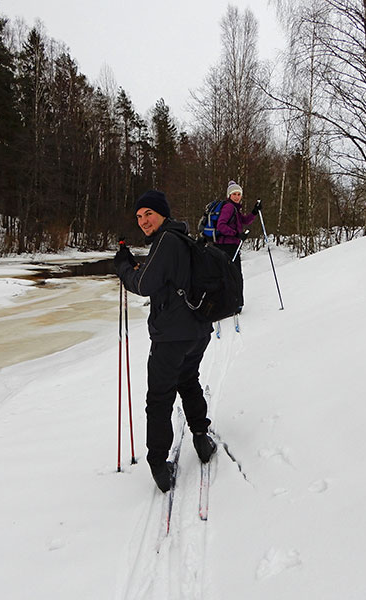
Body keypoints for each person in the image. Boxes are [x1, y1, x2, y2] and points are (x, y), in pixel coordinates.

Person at [114, 190, 218, 492]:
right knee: (188, 381)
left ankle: (160, 466)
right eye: (139, 216)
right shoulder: (181, 238)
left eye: (148, 213)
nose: (143, 221)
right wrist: (135, 266)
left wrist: (122, 267)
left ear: (163, 214)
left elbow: (144, 284)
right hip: (198, 331)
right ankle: (201, 438)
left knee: (159, 398)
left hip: (172, 337)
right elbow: (160, 277)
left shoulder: (166, 240)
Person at [213, 180, 261, 310]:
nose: (237, 196)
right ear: (229, 195)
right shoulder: (229, 207)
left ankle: (232, 303)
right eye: (234, 194)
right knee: (233, 275)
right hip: (226, 247)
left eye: (239, 194)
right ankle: (233, 304)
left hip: (231, 246)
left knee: (232, 275)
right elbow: (221, 226)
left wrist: (254, 212)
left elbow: (244, 221)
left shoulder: (235, 208)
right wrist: (236, 234)